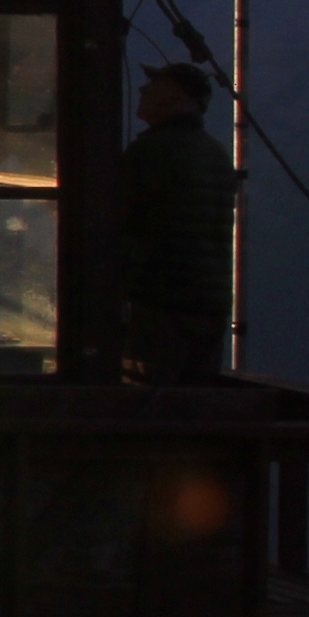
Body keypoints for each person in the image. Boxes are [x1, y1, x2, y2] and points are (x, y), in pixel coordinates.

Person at [121, 60, 237, 384]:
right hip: (210, 304)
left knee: (147, 396)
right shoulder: (216, 153)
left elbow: (116, 217)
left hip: (160, 302)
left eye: (156, 85)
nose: (143, 89)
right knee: (192, 397)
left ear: (177, 96)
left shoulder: (152, 151)